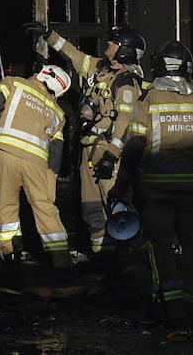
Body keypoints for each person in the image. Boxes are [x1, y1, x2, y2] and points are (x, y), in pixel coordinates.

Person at [109, 40, 193, 328]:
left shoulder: (149, 101)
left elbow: (135, 146)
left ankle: (171, 310)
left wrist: (121, 185)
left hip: (157, 193)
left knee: (160, 248)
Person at [24, 21, 146, 268]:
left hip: (107, 152)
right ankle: (103, 257)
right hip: (88, 149)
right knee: (91, 208)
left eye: (114, 42)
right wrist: (49, 34)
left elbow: (124, 121)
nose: (108, 44)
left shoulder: (126, 83)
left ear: (125, 50)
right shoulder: (99, 69)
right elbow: (72, 53)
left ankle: (136, 262)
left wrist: (111, 155)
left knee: (117, 207)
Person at [0, 61, 75, 288]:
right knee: (46, 210)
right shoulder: (58, 112)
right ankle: (62, 268)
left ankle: (11, 265)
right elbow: (57, 150)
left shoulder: (12, 84)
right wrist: (51, 177)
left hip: (5, 154)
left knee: (7, 206)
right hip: (37, 164)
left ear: (40, 74)